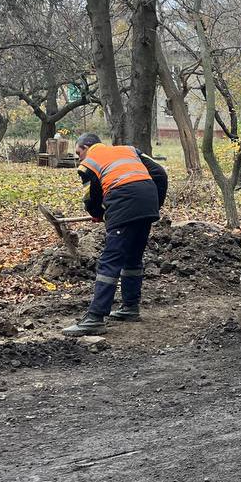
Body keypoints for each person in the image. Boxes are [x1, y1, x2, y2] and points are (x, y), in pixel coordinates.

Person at [62, 133, 167, 336]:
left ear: (86, 147)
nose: (79, 158)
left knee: (110, 260)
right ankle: (130, 307)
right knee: (133, 257)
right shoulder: (129, 150)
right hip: (147, 202)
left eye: (78, 153)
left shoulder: (89, 163)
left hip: (124, 202)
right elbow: (160, 173)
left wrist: (97, 214)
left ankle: (94, 318)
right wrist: (155, 203)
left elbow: (91, 198)